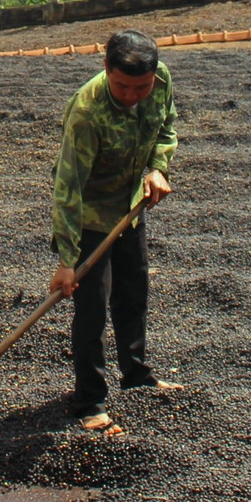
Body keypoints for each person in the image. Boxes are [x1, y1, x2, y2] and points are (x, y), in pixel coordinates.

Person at [50, 29, 182, 437]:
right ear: (105, 69)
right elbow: (68, 189)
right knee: (91, 309)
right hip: (90, 215)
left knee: (133, 292)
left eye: (140, 87)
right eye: (122, 86)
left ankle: (136, 374)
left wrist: (158, 168)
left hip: (129, 209)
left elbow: (167, 127)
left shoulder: (158, 82)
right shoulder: (87, 112)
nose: (131, 95)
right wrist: (67, 261)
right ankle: (89, 401)